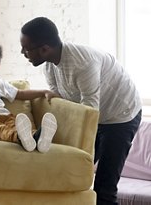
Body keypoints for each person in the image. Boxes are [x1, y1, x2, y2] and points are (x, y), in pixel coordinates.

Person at [19, 17, 142, 205]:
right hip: (96, 115)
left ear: (44, 49)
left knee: (104, 189)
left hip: (121, 116)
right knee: (70, 173)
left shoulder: (83, 64)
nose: (22, 53)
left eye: (26, 49)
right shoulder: (50, 67)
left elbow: (89, 114)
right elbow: (64, 105)